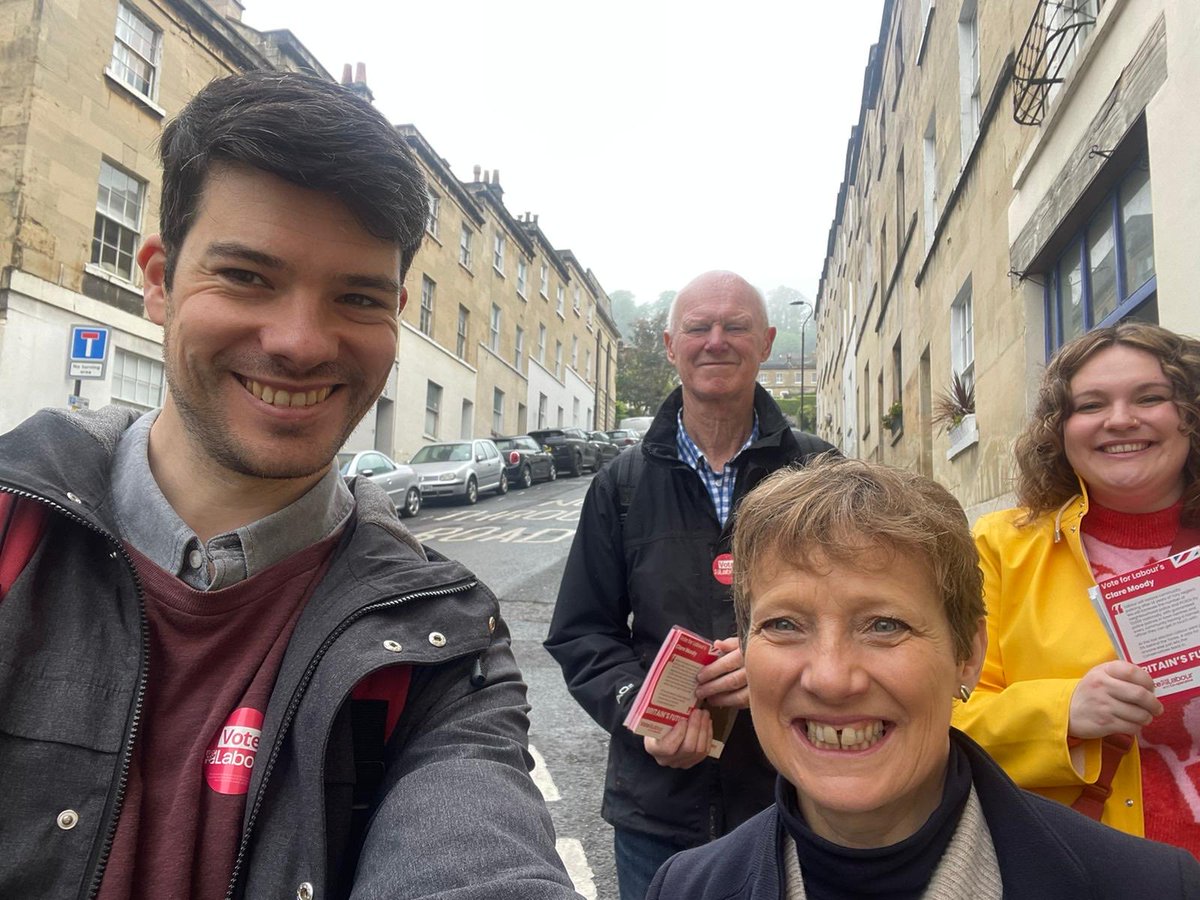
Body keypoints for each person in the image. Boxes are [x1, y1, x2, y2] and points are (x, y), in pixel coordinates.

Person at [0, 71, 578, 900]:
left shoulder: (441, 642)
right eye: (246, 277)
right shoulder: (10, 530)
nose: (301, 342)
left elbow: (476, 850)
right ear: (158, 279)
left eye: (356, 297)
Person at [648, 458, 1200, 899]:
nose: (832, 678)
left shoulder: (1149, 885)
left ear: (967, 655)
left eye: (884, 625)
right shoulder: (685, 888)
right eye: (784, 624)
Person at [545, 270, 835, 899]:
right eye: (698, 328)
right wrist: (636, 710)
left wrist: (776, 660)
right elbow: (580, 630)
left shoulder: (820, 474)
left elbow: (858, 618)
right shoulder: (620, 485)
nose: (716, 341)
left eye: (736, 327)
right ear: (672, 346)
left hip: (796, 798)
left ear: (766, 340)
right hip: (656, 810)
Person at [954, 322, 1200, 850]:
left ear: (1190, 415)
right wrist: (1064, 712)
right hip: (1093, 865)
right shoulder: (998, 549)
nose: (1120, 420)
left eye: (1150, 397)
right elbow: (941, 717)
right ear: (1059, 430)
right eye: (1090, 405)